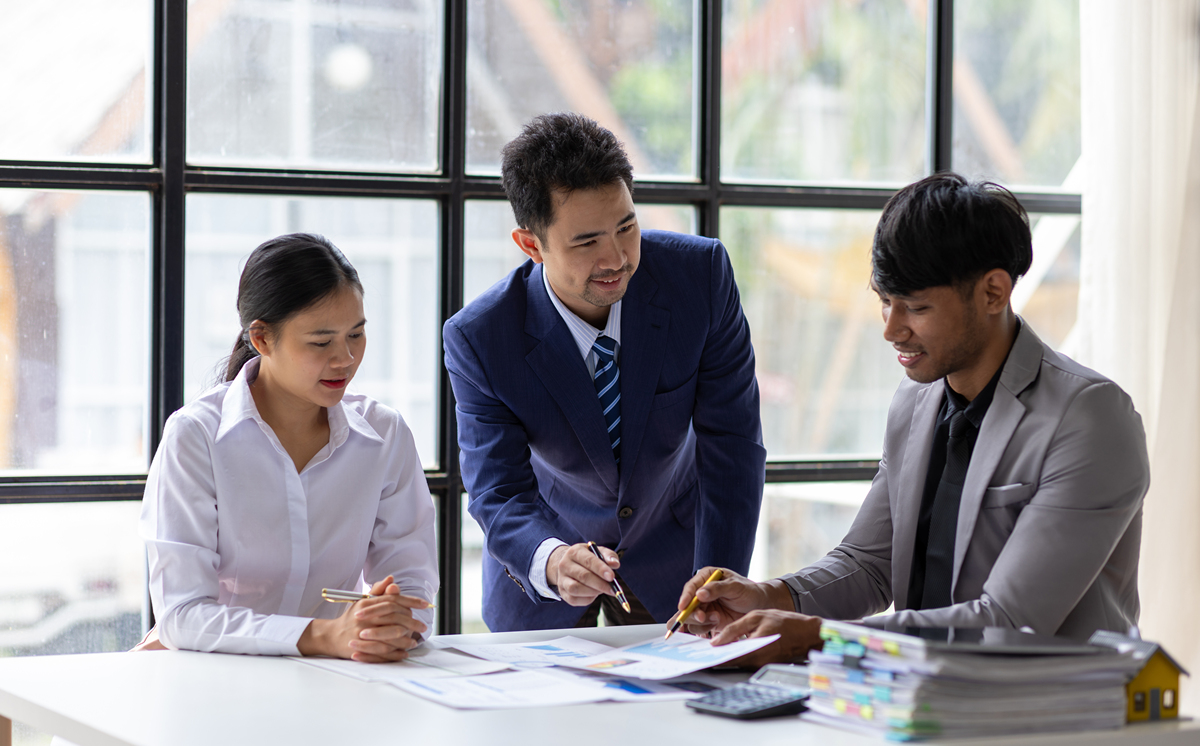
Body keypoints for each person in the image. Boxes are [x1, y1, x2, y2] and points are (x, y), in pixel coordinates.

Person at [676, 172, 1150, 665]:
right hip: (919, 702)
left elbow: (1009, 623)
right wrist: (768, 596)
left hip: (1051, 718)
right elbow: (869, 565)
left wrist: (819, 637)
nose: (891, 330)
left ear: (993, 292)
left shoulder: (1090, 420)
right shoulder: (915, 400)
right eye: (885, 302)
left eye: (916, 308)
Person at [444, 113, 766, 631]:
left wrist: (719, 575)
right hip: (546, 565)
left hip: (679, 562)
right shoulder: (482, 337)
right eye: (586, 241)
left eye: (626, 227)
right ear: (531, 244)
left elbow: (732, 444)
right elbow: (498, 490)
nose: (616, 258)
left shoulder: (699, 279)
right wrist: (549, 559)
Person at [140, 233, 438, 660]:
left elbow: (412, 584)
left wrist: (392, 624)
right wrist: (323, 636)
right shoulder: (197, 437)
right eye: (321, 342)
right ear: (261, 339)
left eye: (356, 335)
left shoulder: (384, 435)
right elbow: (183, 614)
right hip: (210, 676)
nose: (345, 359)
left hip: (335, 676)